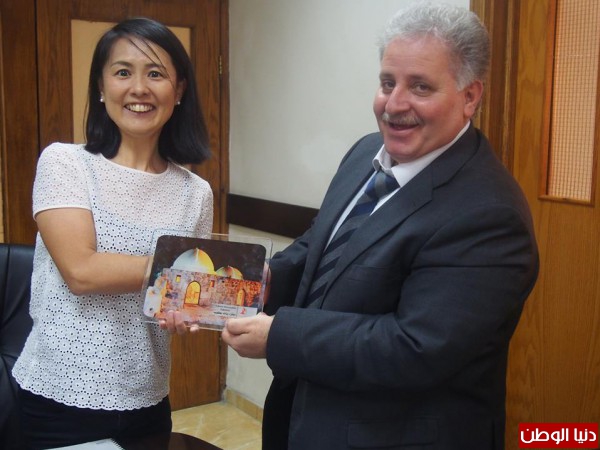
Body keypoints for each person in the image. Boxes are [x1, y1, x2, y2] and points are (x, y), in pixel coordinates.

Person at [222, 3, 539, 450]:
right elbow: (323, 243)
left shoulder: (489, 215)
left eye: (420, 87)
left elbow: (414, 348)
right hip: (304, 418)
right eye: (388, 82)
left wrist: (279, 336)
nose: (394, 104)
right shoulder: (364, 153)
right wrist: (263, 279)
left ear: (470, 96)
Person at [12, 17, 213, 449]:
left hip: (148, 397)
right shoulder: (65, 164)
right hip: (58, 398)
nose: (139, 88)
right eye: (123, 72)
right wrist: (174, 271)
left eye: (155, 74)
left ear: (178, 90)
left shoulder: (196, 193)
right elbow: (81, 272)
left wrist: (186, 309)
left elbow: (180, 299)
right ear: (101, 88)